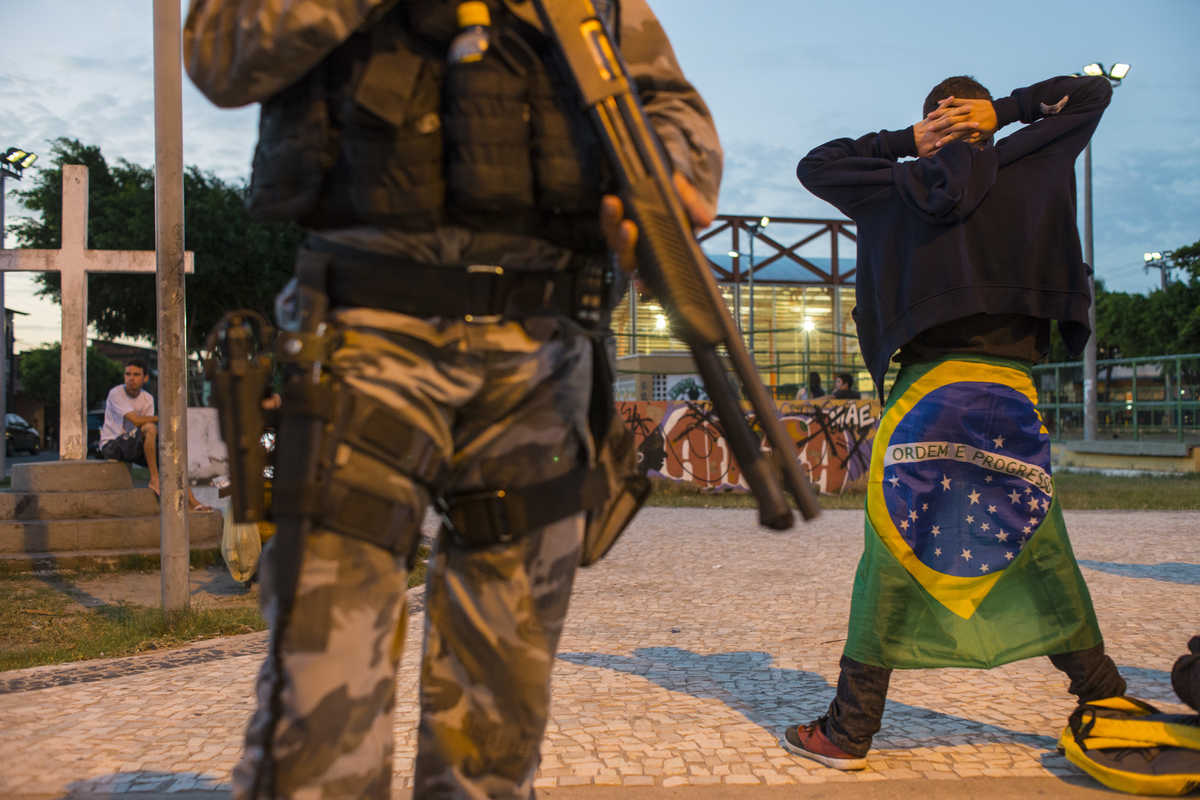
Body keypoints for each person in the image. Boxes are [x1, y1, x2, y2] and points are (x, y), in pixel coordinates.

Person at [184, 2, 721, 797]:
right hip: (364, 337)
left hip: (539, 354)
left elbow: (671, 106)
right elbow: (220, 51)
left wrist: (672, 174)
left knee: (498, 723)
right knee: (320, 707)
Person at [784, 73, 1129, 770]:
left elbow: (815, 165)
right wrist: (1007, 113)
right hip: (1006, 391)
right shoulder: (1032, 161)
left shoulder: (896, 185)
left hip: (928, 395)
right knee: (1037, 541)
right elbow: (1093, 95)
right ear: (981, 120)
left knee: (895, 551)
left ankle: (850, 730)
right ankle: (1105, 696)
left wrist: (907, 143)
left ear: (933, 125)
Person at [99, 359, 211, 511]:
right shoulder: (116, 393)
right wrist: (165, 416)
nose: (131, 378)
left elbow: (146, 428)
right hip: (112, 445)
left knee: (173, 457)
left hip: (133, 444)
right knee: (151, 428)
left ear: (145, 378)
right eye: (128, 374)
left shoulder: (148, 399)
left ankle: (192, 503)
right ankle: (154, 479)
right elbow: (138, 421)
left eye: (136, 375)